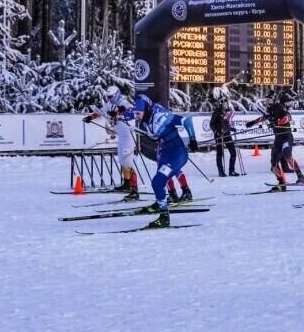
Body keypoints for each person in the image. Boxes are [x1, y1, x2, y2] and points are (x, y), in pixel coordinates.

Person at [131, 94, 198, 228]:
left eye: (138, 114)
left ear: (145, 110)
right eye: (135, 114)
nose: (136, 117)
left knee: (157, 182)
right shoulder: (146, 117)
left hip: (176, 154)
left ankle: (164, 217)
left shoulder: (161, 117)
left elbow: (186, 120)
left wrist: (192, 139)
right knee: (159, 181)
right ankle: (160, 202)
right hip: (165, 152)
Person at [83, 86, 139, 200]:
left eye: (111, 97)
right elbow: (100, 112)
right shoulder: (109, 104)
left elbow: (130, 111)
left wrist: (118, 113)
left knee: (128, 162)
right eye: (108, 97)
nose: (109, 99)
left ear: (117, 94)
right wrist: (90, 117)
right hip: (121, 137)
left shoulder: (124, 102)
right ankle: (127, 184)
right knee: (122, 161)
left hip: (128, 137)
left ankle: (135, 189)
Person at [247, 91, 304, 190]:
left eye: (269, 99)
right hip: (278, 139)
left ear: (273, 99)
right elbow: (264, 117)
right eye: (266, 99)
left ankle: (300, 176)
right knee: (273, 163)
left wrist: (277, 121)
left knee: (287, 156)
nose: (267, 101)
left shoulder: (279, 106)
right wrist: (252, 122)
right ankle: (282, 182)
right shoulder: (269, 109)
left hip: (286, 136)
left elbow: (288, 117)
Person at [210, 92, 239, 177]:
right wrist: (216, 131)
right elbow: (211, 124)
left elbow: (226, 123)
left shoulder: (227, 111)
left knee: (233, 152)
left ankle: (231, 170)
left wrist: (230, 128)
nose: (225, 104)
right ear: (220, 104)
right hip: (219, 135)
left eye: (226, 102)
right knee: (220, 153)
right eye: (223, 102)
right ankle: (221, 171)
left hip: (227, 134)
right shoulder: (216, 112)